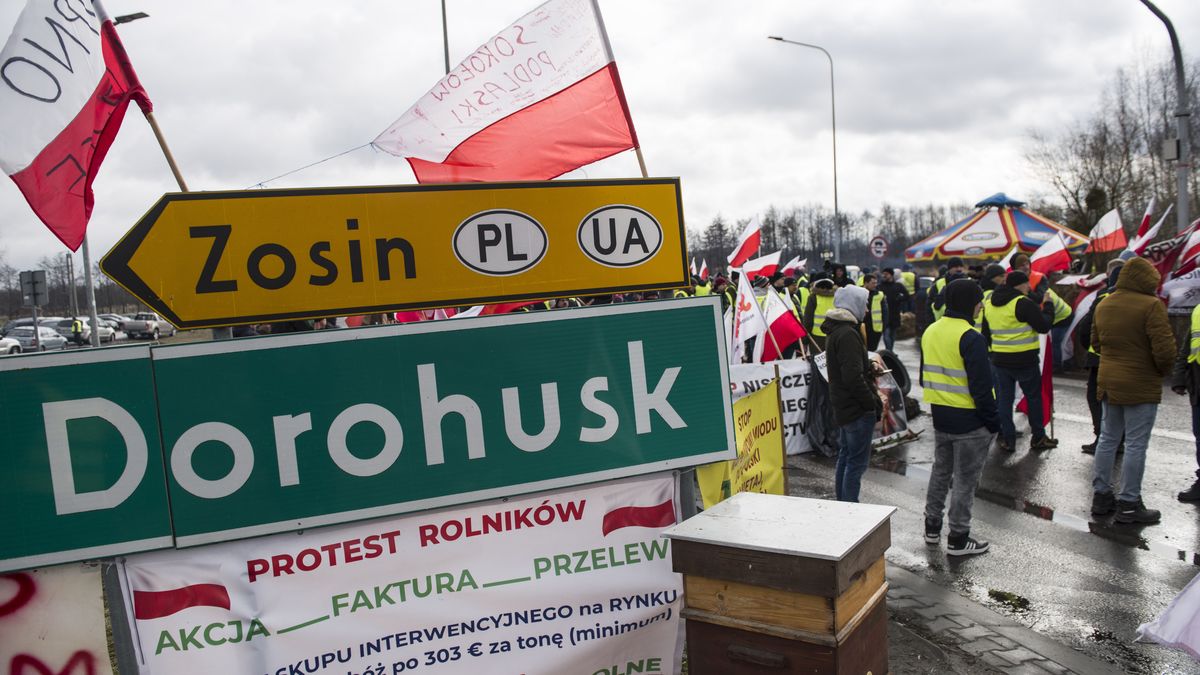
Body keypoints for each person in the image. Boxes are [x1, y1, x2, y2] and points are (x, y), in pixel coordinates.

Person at [1090, 257, 1175, 524]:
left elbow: (1095, 342)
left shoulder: (1104, 303)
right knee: (1136, 444)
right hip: (1140, 382)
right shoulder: (1151, 305)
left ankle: (1101, 496)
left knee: (1107, 439)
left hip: (1109, 381)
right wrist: (1161, 371)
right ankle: (1129, 502)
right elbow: (1164, 350)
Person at [921, 279, 999, 556]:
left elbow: (925, 375)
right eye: (979, 300)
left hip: (941, 416)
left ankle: (932, 527)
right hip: (970, 421)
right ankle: (958, 537)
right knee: (965, 481)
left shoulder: (931, 331)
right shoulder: (971, 337)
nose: (982, 305)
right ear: (970, 303)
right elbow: (981, 388)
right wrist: (993, 422)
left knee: (940, 473)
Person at [981, 270, 1056, 452]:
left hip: (1000, 360)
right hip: (1025, 360)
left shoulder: (990, 303)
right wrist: (1048, 306)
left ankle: (1008, 438)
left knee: (1004, 400)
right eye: (1027, 284)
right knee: (1033, 398)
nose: (1030, 287)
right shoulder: (1022, 303)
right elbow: (1044, 326)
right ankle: (1038, 437)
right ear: (1019, 285)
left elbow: (986, 333)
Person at [823, 284, 881, 502]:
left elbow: (848, 366)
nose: (866, 310)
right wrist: (870, 403)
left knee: (846, 457)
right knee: (856, 463)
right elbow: (852, 377)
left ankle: (843, 504)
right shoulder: (847, 333)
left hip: (844, 406)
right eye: (864, 304)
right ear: (854, 304)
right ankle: (850, 507)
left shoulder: (838, 330)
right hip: (855, 409)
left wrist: (867, 366)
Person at [1078, 259, 1124, 453]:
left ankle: (1103, 439)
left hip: (1100, 359)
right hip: (1127, 362)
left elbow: (1085, 328)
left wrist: (1091, 348)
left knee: (1097, 399)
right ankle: (1119, 440)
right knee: (1121, 401)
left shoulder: (1103, 297)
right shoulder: (1145, 299)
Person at [1172, 302, 1200, 502]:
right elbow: (1188, 343)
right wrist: (1179, 377)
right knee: (1199, 435)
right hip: (1198, 384)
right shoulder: (1199, 310)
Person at [878, 268, 910, 351]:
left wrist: (900, 298)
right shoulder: (880, 286)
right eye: (883, 274)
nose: (884, 275)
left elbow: (907, 296)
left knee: (892, 335)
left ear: (891, 275)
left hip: (895, 314)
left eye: (886, 274)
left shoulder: (898, 286)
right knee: (886, 335)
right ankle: (889, 351)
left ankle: (890, 351)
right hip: (884, 315)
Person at [804, 276, 837, 351]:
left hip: (817, 337)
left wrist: (805, 339)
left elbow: (808, 320)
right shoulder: (836, 297)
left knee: (817, 360)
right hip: (834, 335)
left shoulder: (813, 297)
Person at [930, 257, 965, 321]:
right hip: (942, 322)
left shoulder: (970, 282)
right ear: (949, 269)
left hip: (964, 322)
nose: (959, 269)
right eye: (956, 267)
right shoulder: (939, 283)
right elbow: (931, 305)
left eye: (961, 266)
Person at [862, 273, 886, 351]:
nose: (875, 285)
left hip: (875, 329)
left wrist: (884, 326)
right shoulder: (858, 293)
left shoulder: (879, 295)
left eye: (876, 283)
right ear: (865, 283)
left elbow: (885, 312)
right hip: (862, 326)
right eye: (873, 283)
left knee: (872, 350)